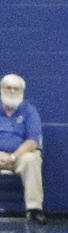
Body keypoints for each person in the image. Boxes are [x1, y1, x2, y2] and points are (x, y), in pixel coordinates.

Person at [0, 74, 45, 224]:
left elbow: (32, 141)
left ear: (22, 92)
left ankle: (34, 210)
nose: (12, 91)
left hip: (20, 156)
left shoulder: (29, 111)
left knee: (32, 159)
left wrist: (13, 156)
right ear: (2, 89)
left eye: (16, 89)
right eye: (8, 88)